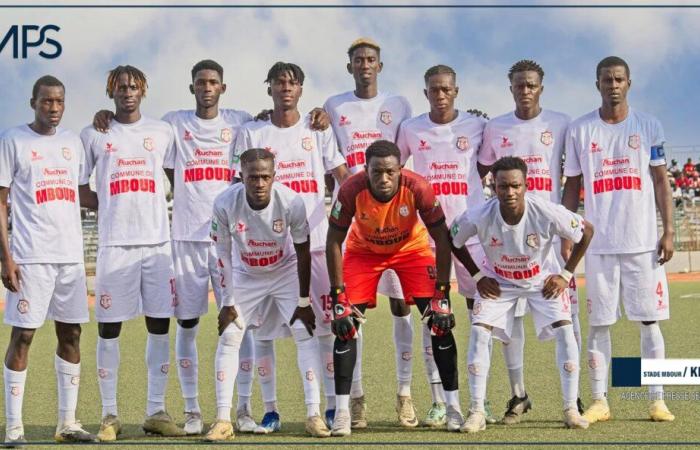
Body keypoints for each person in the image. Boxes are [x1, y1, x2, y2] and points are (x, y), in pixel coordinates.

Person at [231, 61, 349, 432]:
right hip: (265, 250)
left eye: (292, 82)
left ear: (301, 90)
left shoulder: (317, 128)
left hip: (313, 245)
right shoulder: (251, 131)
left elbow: (340, 176)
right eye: (279, 82)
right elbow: (237, 184)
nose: (285, 87)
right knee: (263, 333)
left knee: (324, 327)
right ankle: (271, 408)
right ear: (268, 88)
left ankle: (330, 406)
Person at [562, 56, 675, 424]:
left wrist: (668, 230)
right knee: (599, 325)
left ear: (629, 83)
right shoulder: (580, 130)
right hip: (599, 246)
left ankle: (657, 401)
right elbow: (573, 186)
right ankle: (600, 400)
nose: (613, 85)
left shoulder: (649, 126)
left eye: (619, 79)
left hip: (642, 243)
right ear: (597, 84)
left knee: (650, 322)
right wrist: (568, 231)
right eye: (607, 79)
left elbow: (660, 181)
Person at [79, 65, 185, 441]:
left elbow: (177, 179)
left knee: (159, 325)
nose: (127, 91)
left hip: (157, 246)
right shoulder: (94, 133)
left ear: (143, 90)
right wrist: (108, 204)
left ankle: (156, 410)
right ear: (111, 92)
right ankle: (109, 415)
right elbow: (80, 189)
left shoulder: (163, 131)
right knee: (109, 329)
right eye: (121, 87)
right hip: (115, 247)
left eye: (134, 86)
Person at [451, 156, 593, 432]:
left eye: (515, 186)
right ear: (493, 186)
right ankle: (477, 411)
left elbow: (586, 231)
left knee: (565, 330)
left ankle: (570, 409)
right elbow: (453, 239)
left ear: (526, 185)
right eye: (503, 186)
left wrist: (565, 274)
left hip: (542, 281)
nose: (510, 192)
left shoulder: (546, 211)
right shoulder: (479, 214)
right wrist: (478, 276)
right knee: (479, 332)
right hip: (499, 282)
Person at [326, 140, 459, 436]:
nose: (383, 179)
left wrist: (442, 292)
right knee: (344, 323)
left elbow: (441, 236)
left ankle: (453, 407)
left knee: (440, 322)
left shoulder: (418, 187)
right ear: (366, 170)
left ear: (400, 170)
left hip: (411, 250)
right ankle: (344, 412)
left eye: (390, 172)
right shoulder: (350, 189)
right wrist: (337, 295)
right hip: (363, 252)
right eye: (376, 172)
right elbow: (333, 240)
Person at [478, 59, 585, 422]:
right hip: (509, 236)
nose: (525, 91)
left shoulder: (561, 123)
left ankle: (574, 397)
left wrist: (567, 234)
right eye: (519, 85)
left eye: (532, 85)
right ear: (511, 88)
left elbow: (571, 177)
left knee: (566, 317)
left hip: (550, 233)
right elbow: (483, 171)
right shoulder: (495, 126)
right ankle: (518, 394)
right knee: (512, 318)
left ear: (542, 87)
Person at [205, 148, 329, 441]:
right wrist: (227, 301)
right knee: (230, 335)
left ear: (274, 177)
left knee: (303, 330)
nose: (259, 184)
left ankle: (313, 415)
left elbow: (302, 250)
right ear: (241, 177)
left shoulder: (291, 201)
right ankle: (223, 419)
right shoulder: (224, 203)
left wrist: (303, 301)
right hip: (247, 273)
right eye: (252, 178)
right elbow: (222, 253)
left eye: (264, 177)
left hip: (284, 270)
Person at [323, 37, 414, 429]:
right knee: (352, 313)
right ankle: (355, 400)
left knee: (401, 307)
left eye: (371, 60)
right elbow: (331, 157)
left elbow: (401, 160)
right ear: (350, 67)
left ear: (380, 65)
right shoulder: (333, 106)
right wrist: (357, 193)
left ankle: (405, 395)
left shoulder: (399, 105)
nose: (364, 65)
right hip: (355, 219)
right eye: (358, 60)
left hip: (393, 221)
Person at [0, 76, 95, 445]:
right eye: (46, 102)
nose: (53, 109)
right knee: (23, 335)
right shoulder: (14, 140)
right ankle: (13, 427)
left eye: (58, 102)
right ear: (33, 102)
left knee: (71, 333)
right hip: (31, 257)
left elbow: (84, 194)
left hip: (70, 258)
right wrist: (6, 258)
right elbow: (2, 201)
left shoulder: (72, 143)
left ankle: (67, 423)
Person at [396, 64, 489, 427]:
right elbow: (394, 167)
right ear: (425, 93)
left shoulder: (477, 126)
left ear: (456, 90)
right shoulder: (411, 128)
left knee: (479, 315)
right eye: (433, 89)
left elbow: (487, 168)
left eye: (446, 89)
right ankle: (438, 400)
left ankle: (481, 398)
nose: (440, 95)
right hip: (426, 235)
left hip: (470, 235)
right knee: (431, 317)